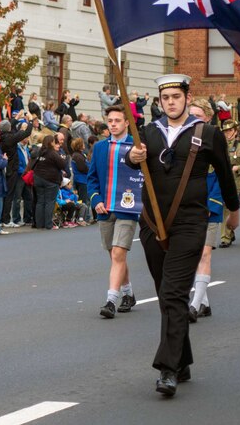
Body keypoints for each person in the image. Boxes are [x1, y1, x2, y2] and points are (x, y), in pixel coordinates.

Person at [127, 74, 239, 397]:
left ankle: (167, 369)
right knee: (166, 294)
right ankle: (183, 359)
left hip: (190, 222)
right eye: (166, 98)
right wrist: (131, 158)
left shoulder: (208, 134)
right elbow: (132, 162)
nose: (171, 102)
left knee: (175, 293)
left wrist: (233, 209)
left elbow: (224, 171)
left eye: (176, 96)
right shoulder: (147, 133)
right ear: (160, 101)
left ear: (187, 98)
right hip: (152, 223)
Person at [87, 104, 141, 319]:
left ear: (127, 122)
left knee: (119, 253)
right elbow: (91, 179)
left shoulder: (137, 146)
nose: (113, 124)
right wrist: (95, 199)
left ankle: (111, 300)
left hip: (128, 208)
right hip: (105, 208)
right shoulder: (100, 147)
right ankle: (129, 294)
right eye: (110, 121)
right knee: (113, 254)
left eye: (118, 120)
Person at [186, 100, 223, 321]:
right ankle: (205, 302)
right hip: (188, 208)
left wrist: (212, 205)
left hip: (209, 206)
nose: (193, 119)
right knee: (191, 255)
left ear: (207, 118)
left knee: (204, 253)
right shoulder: (183, 139)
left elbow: (223, 176)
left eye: (198, 116)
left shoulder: (215, 140)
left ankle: (195, 304)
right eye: (191, 115)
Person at [0, 116, 33, 228]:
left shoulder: (1, 137)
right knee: (10, 195)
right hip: (11, 169)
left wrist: (16, 118)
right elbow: (27, 132)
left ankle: (2, 218)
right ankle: (6, 219)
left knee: (5, 195)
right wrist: (31, 121)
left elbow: (10, 127)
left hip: (4, 168)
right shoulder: (10, 138)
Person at [220, 120, 240, 248]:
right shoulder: (220, 146)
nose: (228, 134)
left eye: (230, 131)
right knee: (224, 208)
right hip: (221, 179)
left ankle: (225, 237)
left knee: (229, 208)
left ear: (235, 131)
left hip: (234, 181)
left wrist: (237, 168)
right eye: (225, 131)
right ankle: (228, 234)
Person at [32, 134, 67, 230]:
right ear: (51, 142)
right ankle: (48, 224)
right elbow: (62, 164)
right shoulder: (52, 153)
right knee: (49, 202)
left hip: (38, 178)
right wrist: (63, 158)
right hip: (50, 180)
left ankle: (39, 224)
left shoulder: (40, 152)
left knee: (40, 202)